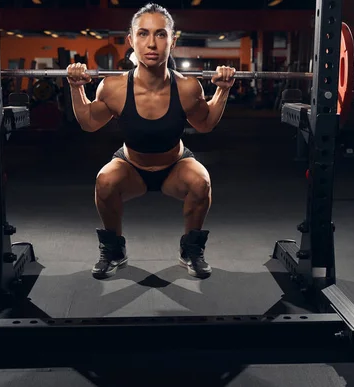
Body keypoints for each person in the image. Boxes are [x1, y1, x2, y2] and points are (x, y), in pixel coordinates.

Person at [67, 3, 235, 280]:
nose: (151, 43)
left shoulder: (187, 87)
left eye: (160, 34)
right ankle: (114, 250)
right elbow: (89, 122)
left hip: (175, 166)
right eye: (143, 34)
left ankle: (191, 250)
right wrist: (76, 88)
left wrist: (222, 90)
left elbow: (204, 124)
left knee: (201, 180)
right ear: (131, 40)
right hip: (132, 167)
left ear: (173, 39)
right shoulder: (114, 87)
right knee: (104, 180)